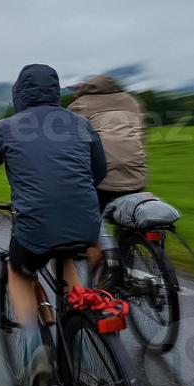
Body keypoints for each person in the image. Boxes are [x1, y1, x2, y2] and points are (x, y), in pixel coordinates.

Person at [0, 64, 107, 386]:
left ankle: (35, 346)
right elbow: (99, 169)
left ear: (18, 94)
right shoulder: (81, 123)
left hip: (36, 225)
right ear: (56, 92)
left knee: (19, 269)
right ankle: (77, 336)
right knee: (66, 256)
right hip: (85, 222)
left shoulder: (7, 128)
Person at [69, 75, 147, 279]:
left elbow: (69, 144)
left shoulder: (78, 106)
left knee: (90, 210)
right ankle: (125, 269)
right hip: (136, 175)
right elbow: (140, 135)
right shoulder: (132, 101)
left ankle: (105, 260)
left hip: (101, 179)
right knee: (126, 225)